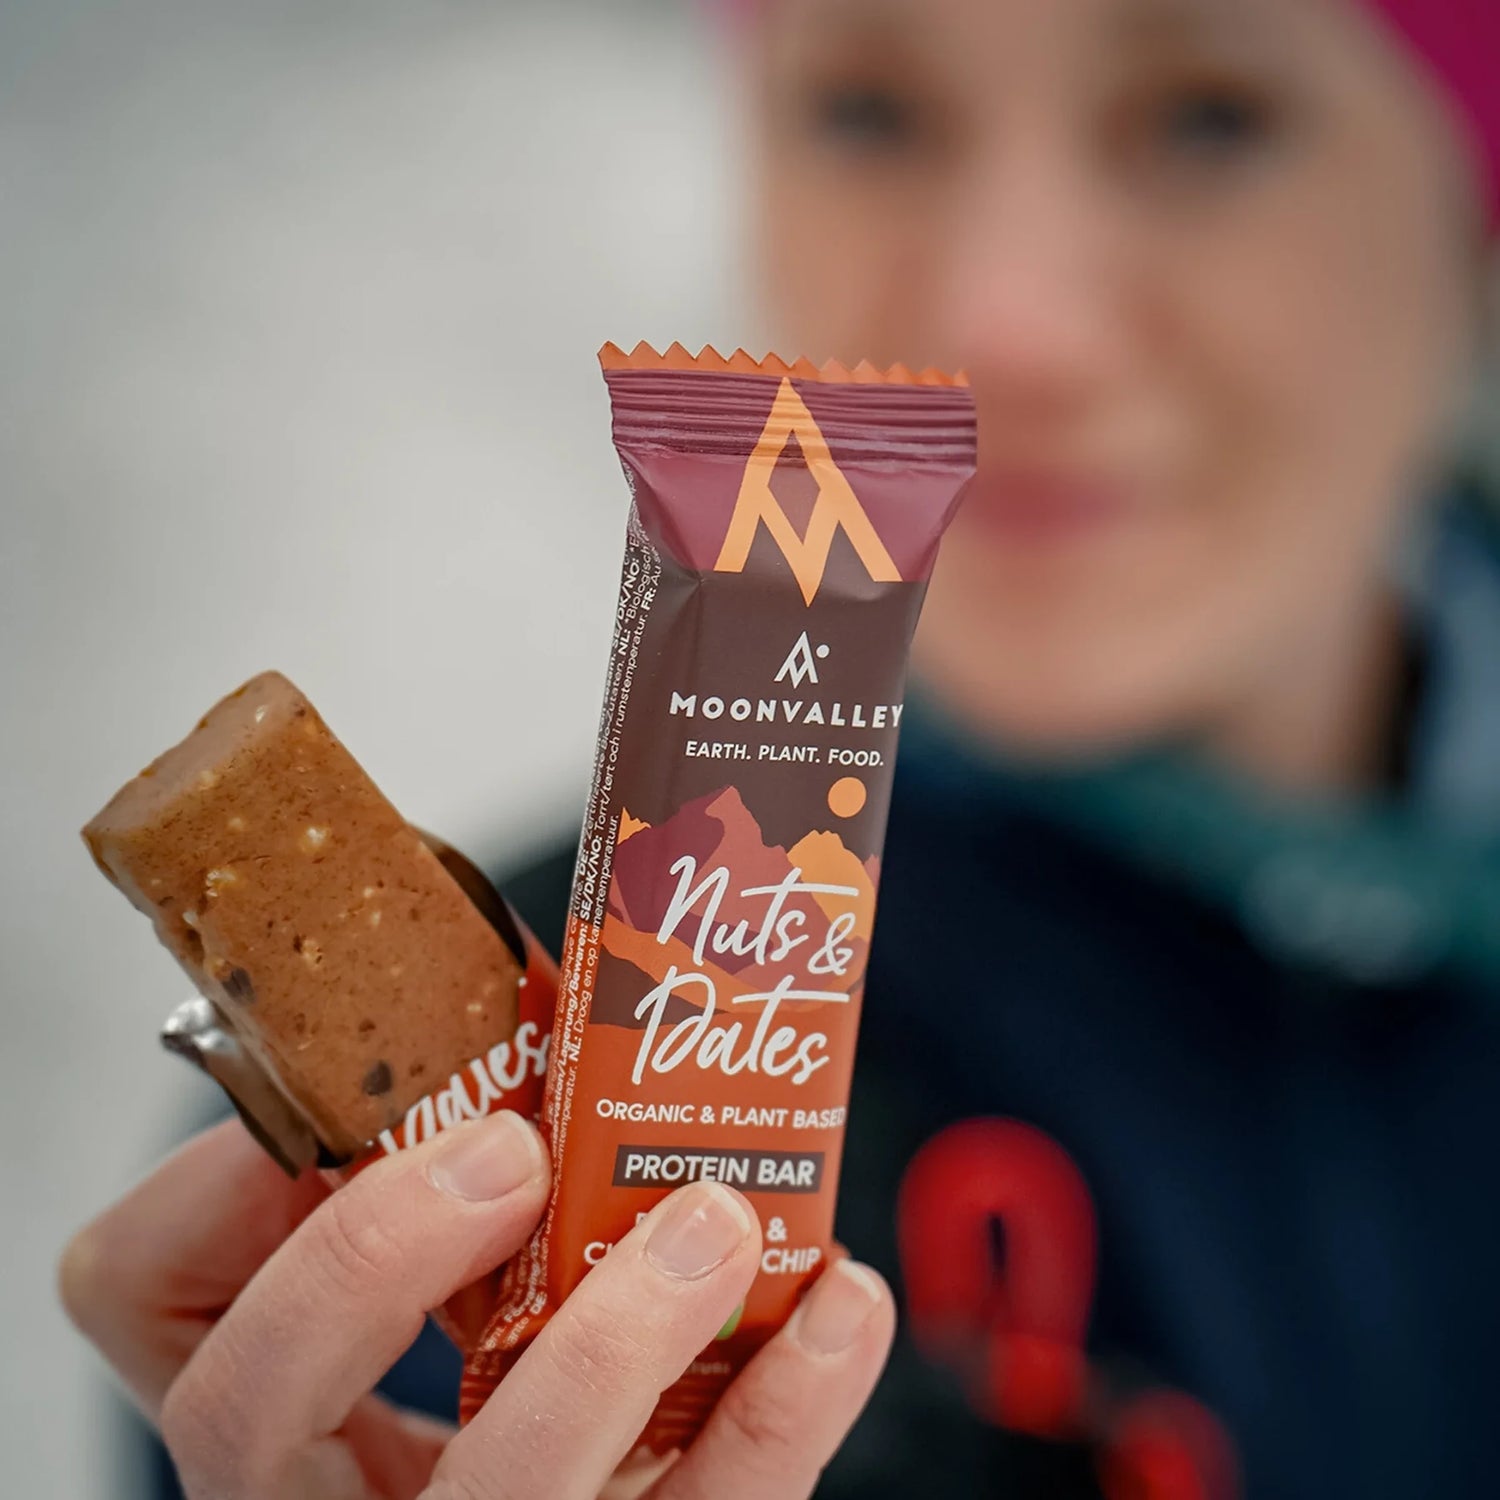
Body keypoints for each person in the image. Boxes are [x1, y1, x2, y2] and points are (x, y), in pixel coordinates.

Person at [60, 0, 1500, 1496]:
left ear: (1473, 217)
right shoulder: (479, 1158)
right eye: (871, 111)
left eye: (1209, 119)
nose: (1011, 321)